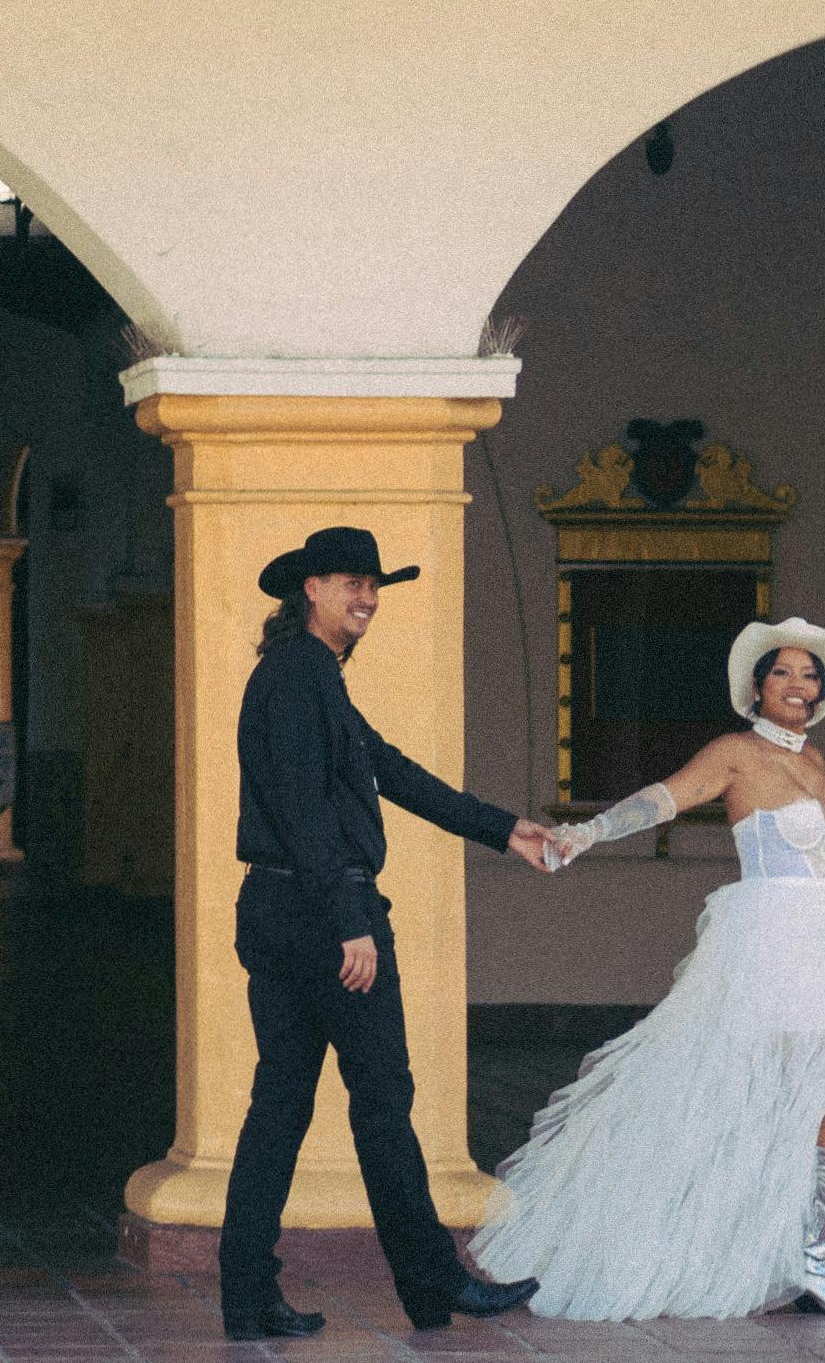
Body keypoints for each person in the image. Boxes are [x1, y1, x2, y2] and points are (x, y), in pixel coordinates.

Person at [478, 616, 825, 1318]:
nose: (799, 684)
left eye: (809, 673)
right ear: (756, 688)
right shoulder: (735, 751)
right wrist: (584, 832)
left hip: (822, 943)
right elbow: (661, 798)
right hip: (767, 937)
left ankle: (816, 1261)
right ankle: (686, 1242)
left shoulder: (812, 760)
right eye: (783, 672)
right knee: (741, 1091)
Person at [216, 523, 563, 1340]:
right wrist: (349, 922)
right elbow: (305, 812)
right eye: (349, 581)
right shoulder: (299, 677)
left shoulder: (307, 675)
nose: (366, 596)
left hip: (278, 911)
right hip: (319, 915)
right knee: (381, 1100)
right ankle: (434, 1279)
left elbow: (389, 767)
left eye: (373, 584)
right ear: (310, 587)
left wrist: (501, 827)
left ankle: (246, 1293)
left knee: (280, 1104)